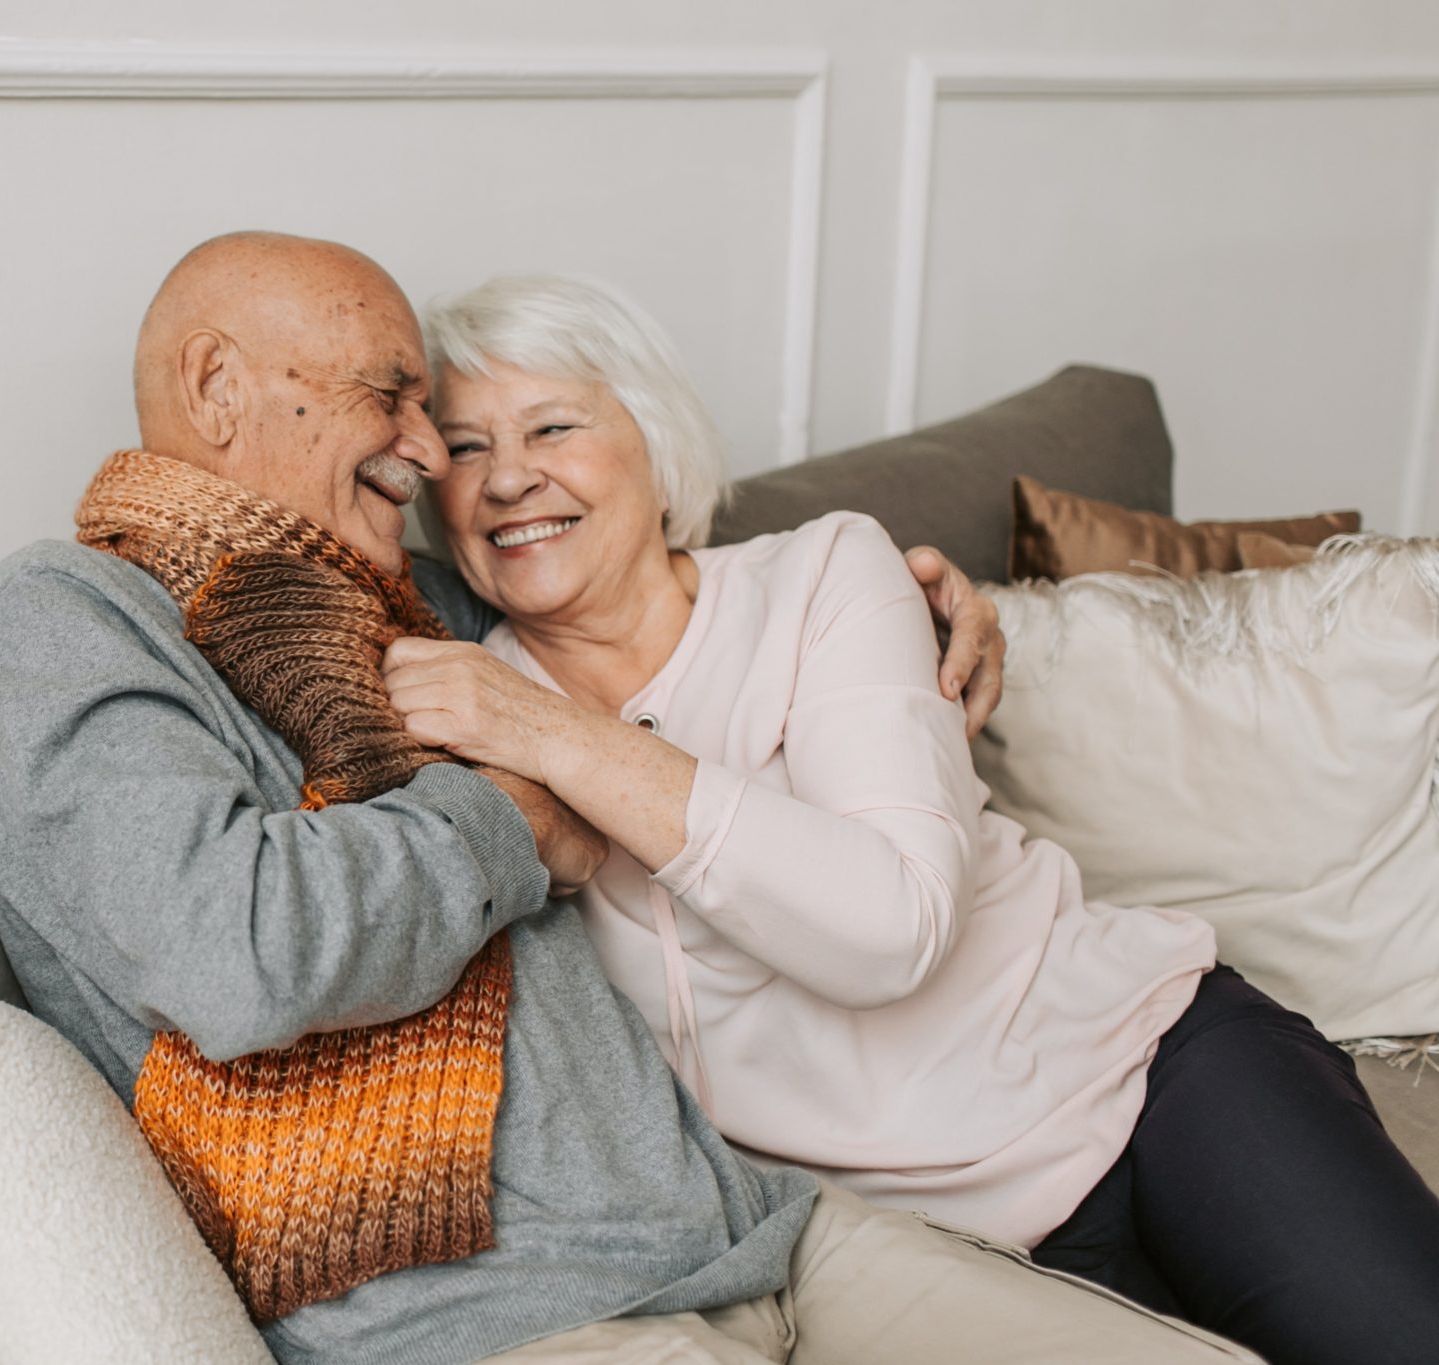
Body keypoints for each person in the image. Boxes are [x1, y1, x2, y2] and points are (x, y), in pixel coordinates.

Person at [0, 231, 1260, 1364]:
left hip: (763, 1227)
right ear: (216, 385)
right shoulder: (69, 621)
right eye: (396, 401)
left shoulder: (405, 602)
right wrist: (521, 822)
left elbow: (627, 569)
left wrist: (938, 604)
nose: (430, 454)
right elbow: (232, 950)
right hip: (522, 1317)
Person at [383, 270, 1439, 1365]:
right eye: (462, 449)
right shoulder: (459, 702)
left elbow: (890, 927)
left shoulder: (825, 576)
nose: (507, 477)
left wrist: (564, 740)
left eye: (551, 426)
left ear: (654, 449)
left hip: (1144, 1075)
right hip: (923, 1253)